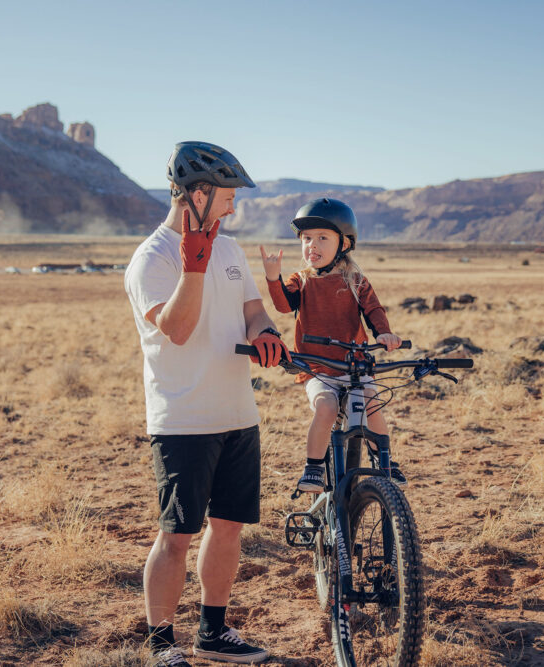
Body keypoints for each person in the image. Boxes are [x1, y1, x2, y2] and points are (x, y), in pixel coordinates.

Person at [124, 141, 289, 666]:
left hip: (238, 413)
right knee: (176, 536)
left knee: (229, 528)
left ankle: (212, 634)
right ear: (197, 194)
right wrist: (191, 268)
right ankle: (161, 643)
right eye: (226, 197)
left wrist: (266, 334)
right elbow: (176, 329)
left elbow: (254, 312)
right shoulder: (151, 258)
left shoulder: (230, 249)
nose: (233, 206)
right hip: (184, 419)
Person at [259, 197, 406, 493]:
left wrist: (384, 334)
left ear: (344, 244)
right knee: (325, 407)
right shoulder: (300, 279)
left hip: (353, 366)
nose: (312, 245)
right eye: (307, 238)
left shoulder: (355, 280)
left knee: (371, 400)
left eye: (322, 238)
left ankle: (384, 459)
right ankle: (313, 468)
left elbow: (374, 311)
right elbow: (284, 306)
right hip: (318, 369)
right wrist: (273, 278)